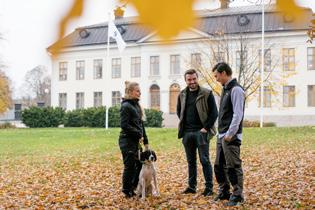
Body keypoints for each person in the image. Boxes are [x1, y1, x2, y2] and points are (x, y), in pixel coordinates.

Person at [177, 69, 218, 196]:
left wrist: (205, 128)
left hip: (201, 133)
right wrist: (184, 128)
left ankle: (209, 188)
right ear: (186, 80)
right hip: (187, 133)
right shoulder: (182, 94)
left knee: (204, 160)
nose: (192, 82)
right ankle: (191, 186)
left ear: (197, 78)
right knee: (191, 162)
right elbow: (179, 112)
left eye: (194, 79)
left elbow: (214, 113)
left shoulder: (206, 93)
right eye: (189, 80)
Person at [212, 62, 245, 206]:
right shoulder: (225, 89)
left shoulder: (236, 90)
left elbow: (238, 114)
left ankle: (237, 196)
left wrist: (230, 134)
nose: (216, 78)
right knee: (219, 166)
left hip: (230, 136)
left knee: (233, 166)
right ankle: (224, 191)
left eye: (217, 75)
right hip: (222, 135)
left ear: (224, 73)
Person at [118, 81, 149, 198]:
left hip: (136, 141)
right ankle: (127, 190)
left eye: (139, 91)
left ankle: (133, 187)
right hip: (126, 141)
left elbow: (141, 125)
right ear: (130, 92)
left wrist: (145, 140)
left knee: (140, 165)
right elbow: (124, 125)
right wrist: (137, 133)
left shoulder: (136, 105)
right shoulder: (126, 106)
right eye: (137, 91)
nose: (140, 93)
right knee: (130, 166)